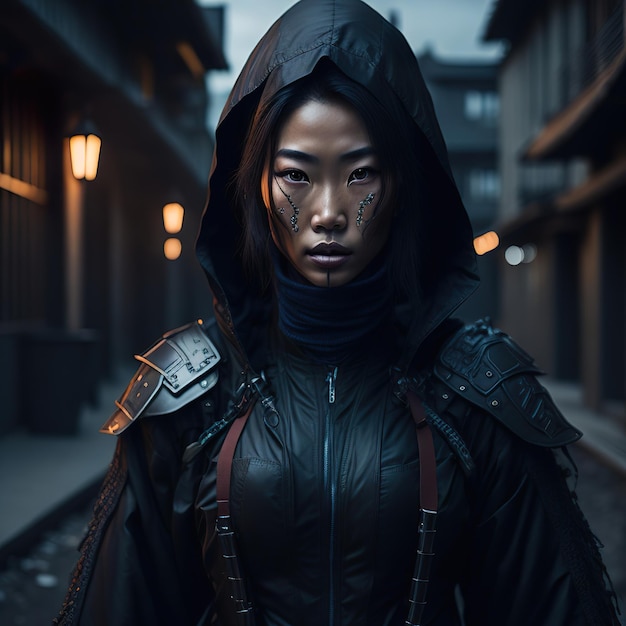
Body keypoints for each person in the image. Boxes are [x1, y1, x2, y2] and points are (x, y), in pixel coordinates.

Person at [54, 1, 621, 624]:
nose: (327, 211)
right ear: (259, 188)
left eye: (360, 175)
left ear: (402, 184)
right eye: (297, 176)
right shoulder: (189, 398)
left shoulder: (476, 394)